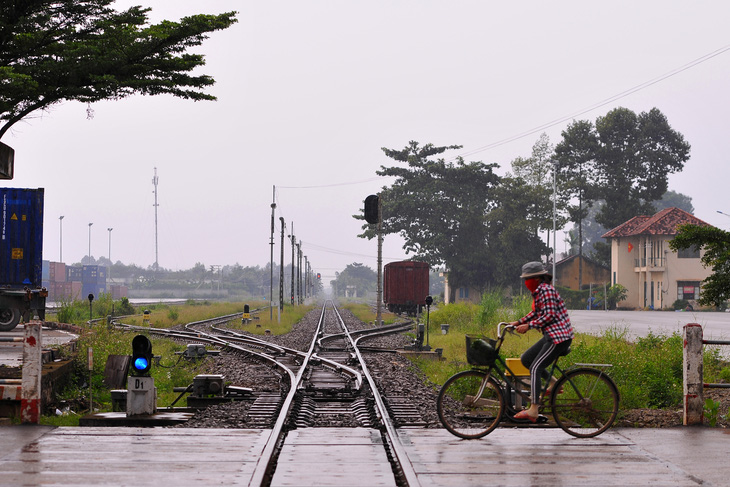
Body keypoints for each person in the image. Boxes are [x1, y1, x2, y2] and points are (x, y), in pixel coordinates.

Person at [508, 261, 574, 422]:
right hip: (551, 336)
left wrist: (528, 326)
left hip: (559, 337)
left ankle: (533, 409)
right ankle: (555, 384)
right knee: (526, 359)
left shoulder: (546, 290)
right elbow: (536, 312)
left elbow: (549, 315)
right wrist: (517, 322)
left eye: (528, 279)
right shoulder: (539, 291)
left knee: (536, 367)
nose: (526, 283)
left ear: (537, 278)